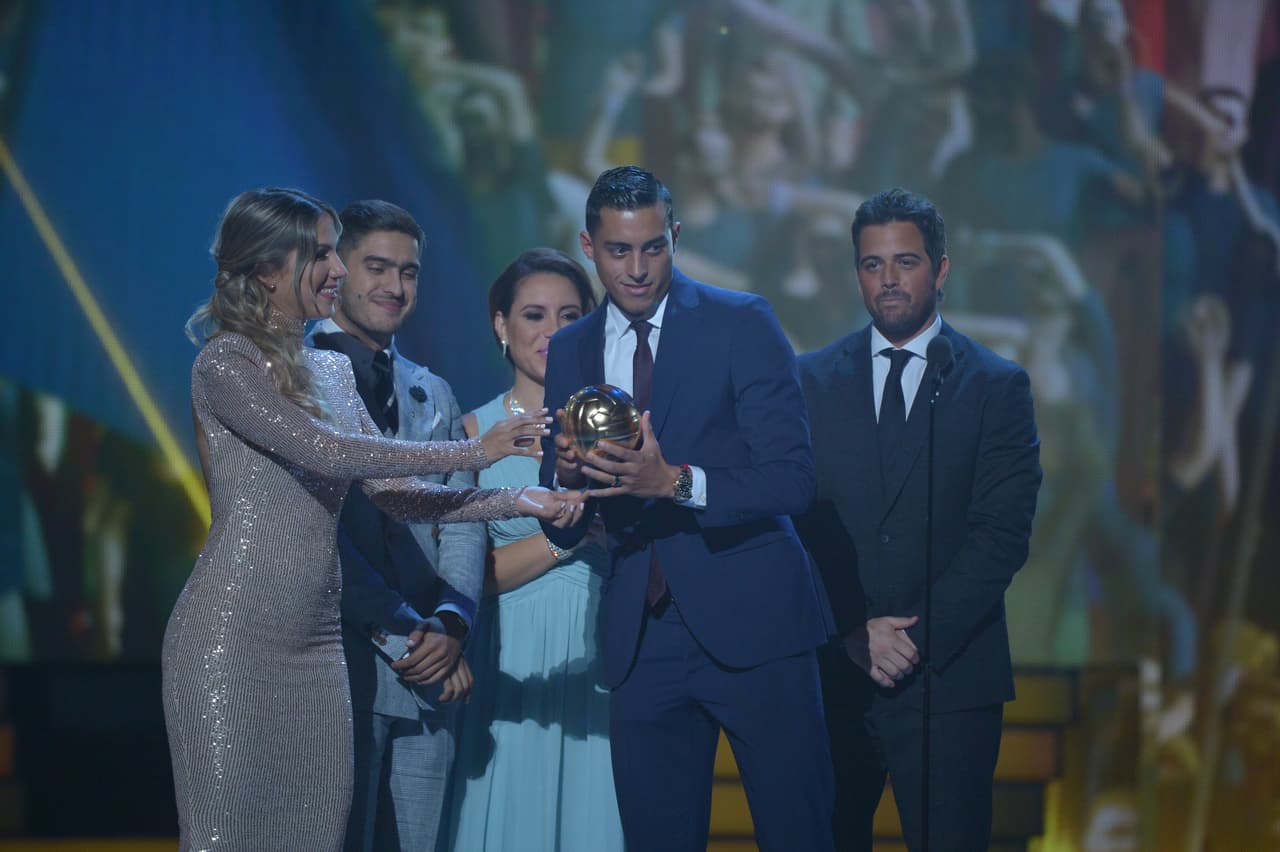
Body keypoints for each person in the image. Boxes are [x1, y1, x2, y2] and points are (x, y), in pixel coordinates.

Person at [161, 186, 582, 852]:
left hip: (319, 650)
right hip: (233, 641)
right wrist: (479, 448)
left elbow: (395, 488)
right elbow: (328, 453)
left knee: (319, 838)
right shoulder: (226, 362)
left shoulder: (328, 370)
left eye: (334, 253)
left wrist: (520, 501)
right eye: (323, 255)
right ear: (268, 269)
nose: (337, 270)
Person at [540, 165, 835, 852]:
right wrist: (567, 488)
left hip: (757, 622)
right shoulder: (570, 347)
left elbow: (793, 480)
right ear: (589, 245)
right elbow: (570, 499)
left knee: (799, 832)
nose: (638, 269)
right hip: (641, 634)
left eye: (654, 247)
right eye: (619, 251)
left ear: (674, 236)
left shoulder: (742, 322)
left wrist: (673, 482)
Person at [794, 187, 1042, 850]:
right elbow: (795, 522)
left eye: (905, 262)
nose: (888, 280)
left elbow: (1001, 535)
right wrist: (850, 631)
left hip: (949, 680)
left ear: (941, 269)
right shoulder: (808, 382)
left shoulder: (996, 386)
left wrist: (912, 640)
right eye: (872, 265)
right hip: (835, 680)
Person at [303, 199, 486, 852]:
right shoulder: (294, 381)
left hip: (431, 677)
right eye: (376, 267)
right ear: (336, 268)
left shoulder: (430, 391)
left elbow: (462, 518)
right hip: (337, 670)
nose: (394, 287)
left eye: (408, 273)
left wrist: (452, 624)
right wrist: (405, 634)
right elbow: (317, 532)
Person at [441, 248, 624, 851]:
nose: (552, 332)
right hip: (511, 662)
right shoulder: (471, 435)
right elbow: (462, 575)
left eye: (569, 315)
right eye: (534, 315)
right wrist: (563, 539)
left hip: (601, 658)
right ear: (502, 325)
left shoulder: (621, 428)